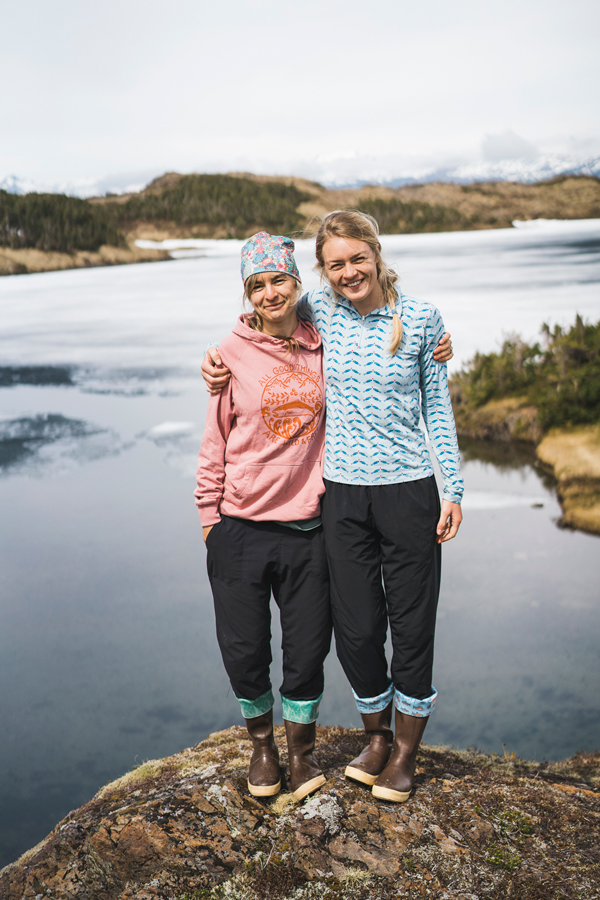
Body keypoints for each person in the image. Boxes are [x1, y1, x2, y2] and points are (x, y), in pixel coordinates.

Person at [202, 211, 462, 804]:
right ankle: (374, 736)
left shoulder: (421, 319)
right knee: (356, 629)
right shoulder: (319, 313)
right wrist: (215, 358)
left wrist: (455, 489)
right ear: (324, 270)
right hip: (341, 495)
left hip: (410, 491)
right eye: (336, 263)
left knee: (413, 626)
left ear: (375, 254)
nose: (349, 272)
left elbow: (437, 412)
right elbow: (264, 315)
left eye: (357, 259)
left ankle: (404, 752)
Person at [194, 232, 331, 802]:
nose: (270, 292)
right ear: (248, 294)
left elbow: (382, 318)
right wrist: (210, 519)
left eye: (279, 280)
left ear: (297, 283)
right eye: (258, 285)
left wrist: (435, 343)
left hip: (308, 529)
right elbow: (215, 438)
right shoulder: (229, 354)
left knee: (307, 647)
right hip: (241, 529)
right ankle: (262, 746)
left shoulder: (325, 340)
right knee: (244, 647)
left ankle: (300, 752)